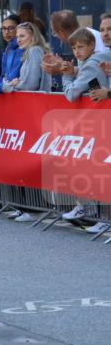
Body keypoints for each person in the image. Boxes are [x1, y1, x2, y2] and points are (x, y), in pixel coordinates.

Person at [58, 28, 110, 232]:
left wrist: (66, 77)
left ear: (91, 46)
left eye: (81, 47)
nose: (77, 51)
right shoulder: (95, 60)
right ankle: (93, 212)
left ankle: (103, 218)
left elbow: (71, 94)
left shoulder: (92, 64)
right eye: (74, 47)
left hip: (99, 123)